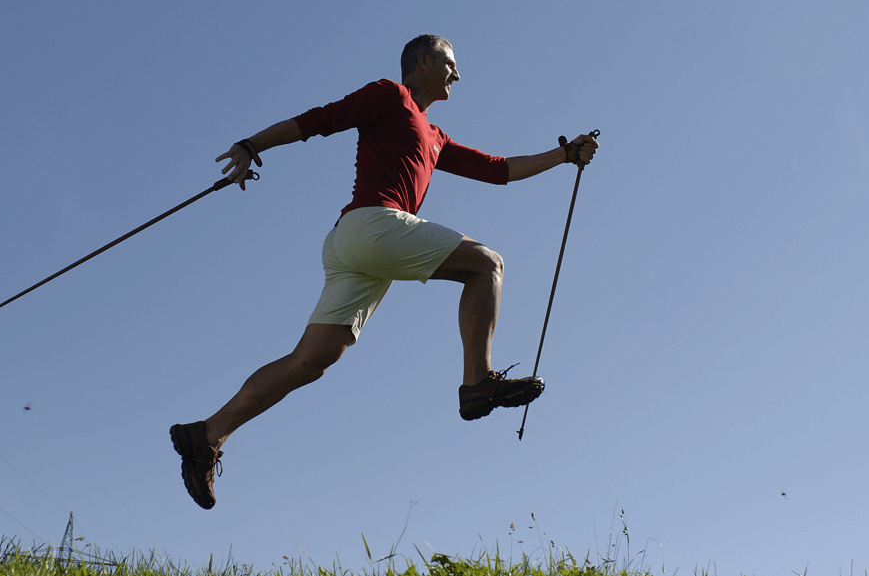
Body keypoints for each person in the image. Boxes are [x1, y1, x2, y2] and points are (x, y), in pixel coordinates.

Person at [170, 34, 598, 509]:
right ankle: (477, 382)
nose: (457, 74)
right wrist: (251, 144)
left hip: (356, 249)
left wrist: (563, 155)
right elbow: (318, 121)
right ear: (423, 61)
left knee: (310, 361)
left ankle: (207, 434)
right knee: (487, 264)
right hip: (371, 225)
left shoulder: (435, 136)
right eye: (450, 63)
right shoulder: (389, 95)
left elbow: (498, 169)